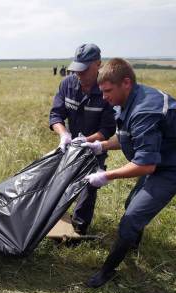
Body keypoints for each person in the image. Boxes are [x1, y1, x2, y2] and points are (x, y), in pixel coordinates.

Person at [80, 58, 176, 288]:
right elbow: (128, 136)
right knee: (132, 203)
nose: (104, 97)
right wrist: (101, 145)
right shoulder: (131, 99)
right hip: (161, 157)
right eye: (102, 91)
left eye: (108, 91)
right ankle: (132, 245)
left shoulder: (145, 110)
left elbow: (146, 166)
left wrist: (106, 176)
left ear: (126, 83)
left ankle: (107, 271)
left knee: (131, 217)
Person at [49, 43, 116, 235]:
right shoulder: (67, 84)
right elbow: (56, 115)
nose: (79, 74)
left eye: (84, 70)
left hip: (95, 147)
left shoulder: (106, 90)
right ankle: (52, 217)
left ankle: (78, 228)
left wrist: (87, 141)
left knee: (89, 184)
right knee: (60, 180)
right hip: (70, 146)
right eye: (77, 69)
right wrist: (64, 134)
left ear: (98, 64)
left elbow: (107, 129)